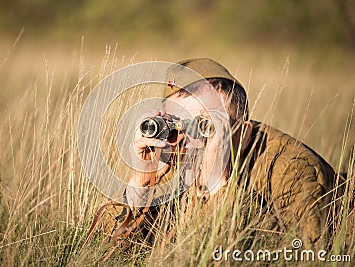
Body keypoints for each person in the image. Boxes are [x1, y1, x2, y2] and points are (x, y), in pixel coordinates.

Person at [113, 58, 342, 249]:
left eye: (206, 126)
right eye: (174, 125)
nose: (190, 141)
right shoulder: (183, 167)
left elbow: (300, 254)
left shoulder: (293, 171)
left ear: (242, 134)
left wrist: (216, 185)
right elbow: (119, 251)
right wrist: (142, 182)